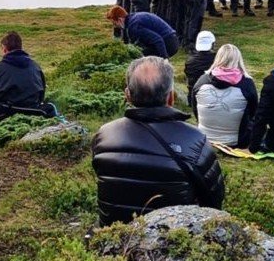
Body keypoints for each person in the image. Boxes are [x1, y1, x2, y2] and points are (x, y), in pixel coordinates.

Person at [91, 56, 225, 225]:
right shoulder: (194, 139)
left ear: (127, 95)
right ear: (171, 97)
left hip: (113, 234)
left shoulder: (104, 134)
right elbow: (214, 200)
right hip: (175, 235)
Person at [192, 44, 259, 147]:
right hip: (237, 141)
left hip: (205, 138)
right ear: (238, 60)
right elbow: (253, 112)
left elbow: (195, 108)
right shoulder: (247, 84)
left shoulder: (202, 81)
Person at [107, 7, 180, 59]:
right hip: (172, 38)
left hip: (168, 43)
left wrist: (164, 59)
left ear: (120, 20)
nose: (115, 26)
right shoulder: (134, 17)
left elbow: (158, 39)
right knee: (141, 53)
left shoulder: (134, 26)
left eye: (114, 23)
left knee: (140, 57)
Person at [184, 30, 217, 103]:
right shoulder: (217, 60)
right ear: (212, 44)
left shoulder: (189, 61)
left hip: (193, 99)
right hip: (212, 98)